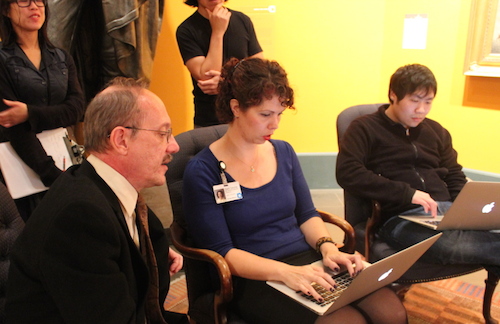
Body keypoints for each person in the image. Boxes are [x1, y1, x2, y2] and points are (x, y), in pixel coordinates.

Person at [182, 58, 407, 324]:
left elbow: (307, 214)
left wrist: (327, 248)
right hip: (254, 276)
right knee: (347, 321)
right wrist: (286, 272)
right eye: (265, 115)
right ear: (236, 108)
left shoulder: (284, 152)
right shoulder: (202, 171)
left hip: (307, 260)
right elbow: (224, 252)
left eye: (279, 114)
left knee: (391, 311)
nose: (274, 124)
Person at [5, 77, 187, 324]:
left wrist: (148, 254)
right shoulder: (80, 216)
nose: (174, 146)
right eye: (163, 133)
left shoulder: (102, 186)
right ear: (121, 139)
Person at [336, 64, 500, 278]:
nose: (421, 110)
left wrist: (468, 209)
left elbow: (453, 174)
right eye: (414, 101)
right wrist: (408, 193)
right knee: (446, 245)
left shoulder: (436, 131)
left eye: (428, 102)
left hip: (446, 212)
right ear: (393, 95)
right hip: (400, 217)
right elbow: (348, 172)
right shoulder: (364, 128)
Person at [0, 0, 85, 220]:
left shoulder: (62, 57)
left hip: (63, 158)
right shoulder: (2, 60)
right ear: (5, 9)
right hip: (19, 168)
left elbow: (76, 109)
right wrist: (51, 175)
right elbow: (13, 127)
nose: (34, 6)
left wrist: (30, 113)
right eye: (23, 1)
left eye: (39, 1)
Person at [176, 0, 264, 127]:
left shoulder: (242, 20)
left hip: (246, 116)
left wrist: (225, 83)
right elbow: (207, 77)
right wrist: (218, 32)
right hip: (209, 120)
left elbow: (260, 72)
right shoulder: (186, 30)